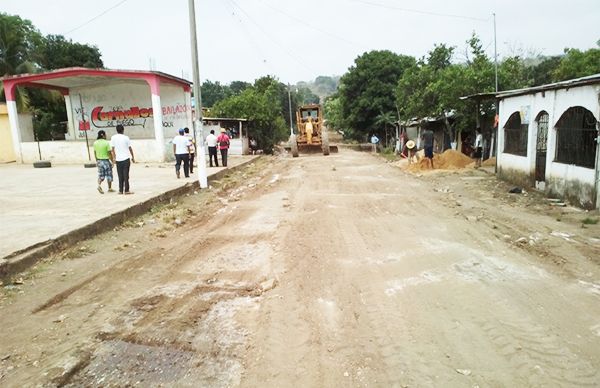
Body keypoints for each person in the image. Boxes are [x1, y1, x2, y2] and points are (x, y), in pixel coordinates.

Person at [111, 124, 135, 194]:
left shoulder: (113, 137)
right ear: (123, 130)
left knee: (120, 175)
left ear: (117, 130)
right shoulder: (126, 137)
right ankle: (126, 190)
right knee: (126, 175)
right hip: (126, 159)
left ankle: (120, 190)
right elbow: (130, 148)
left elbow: (112, 149)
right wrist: (133, 157)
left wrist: (114, 158)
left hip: (118, 160)